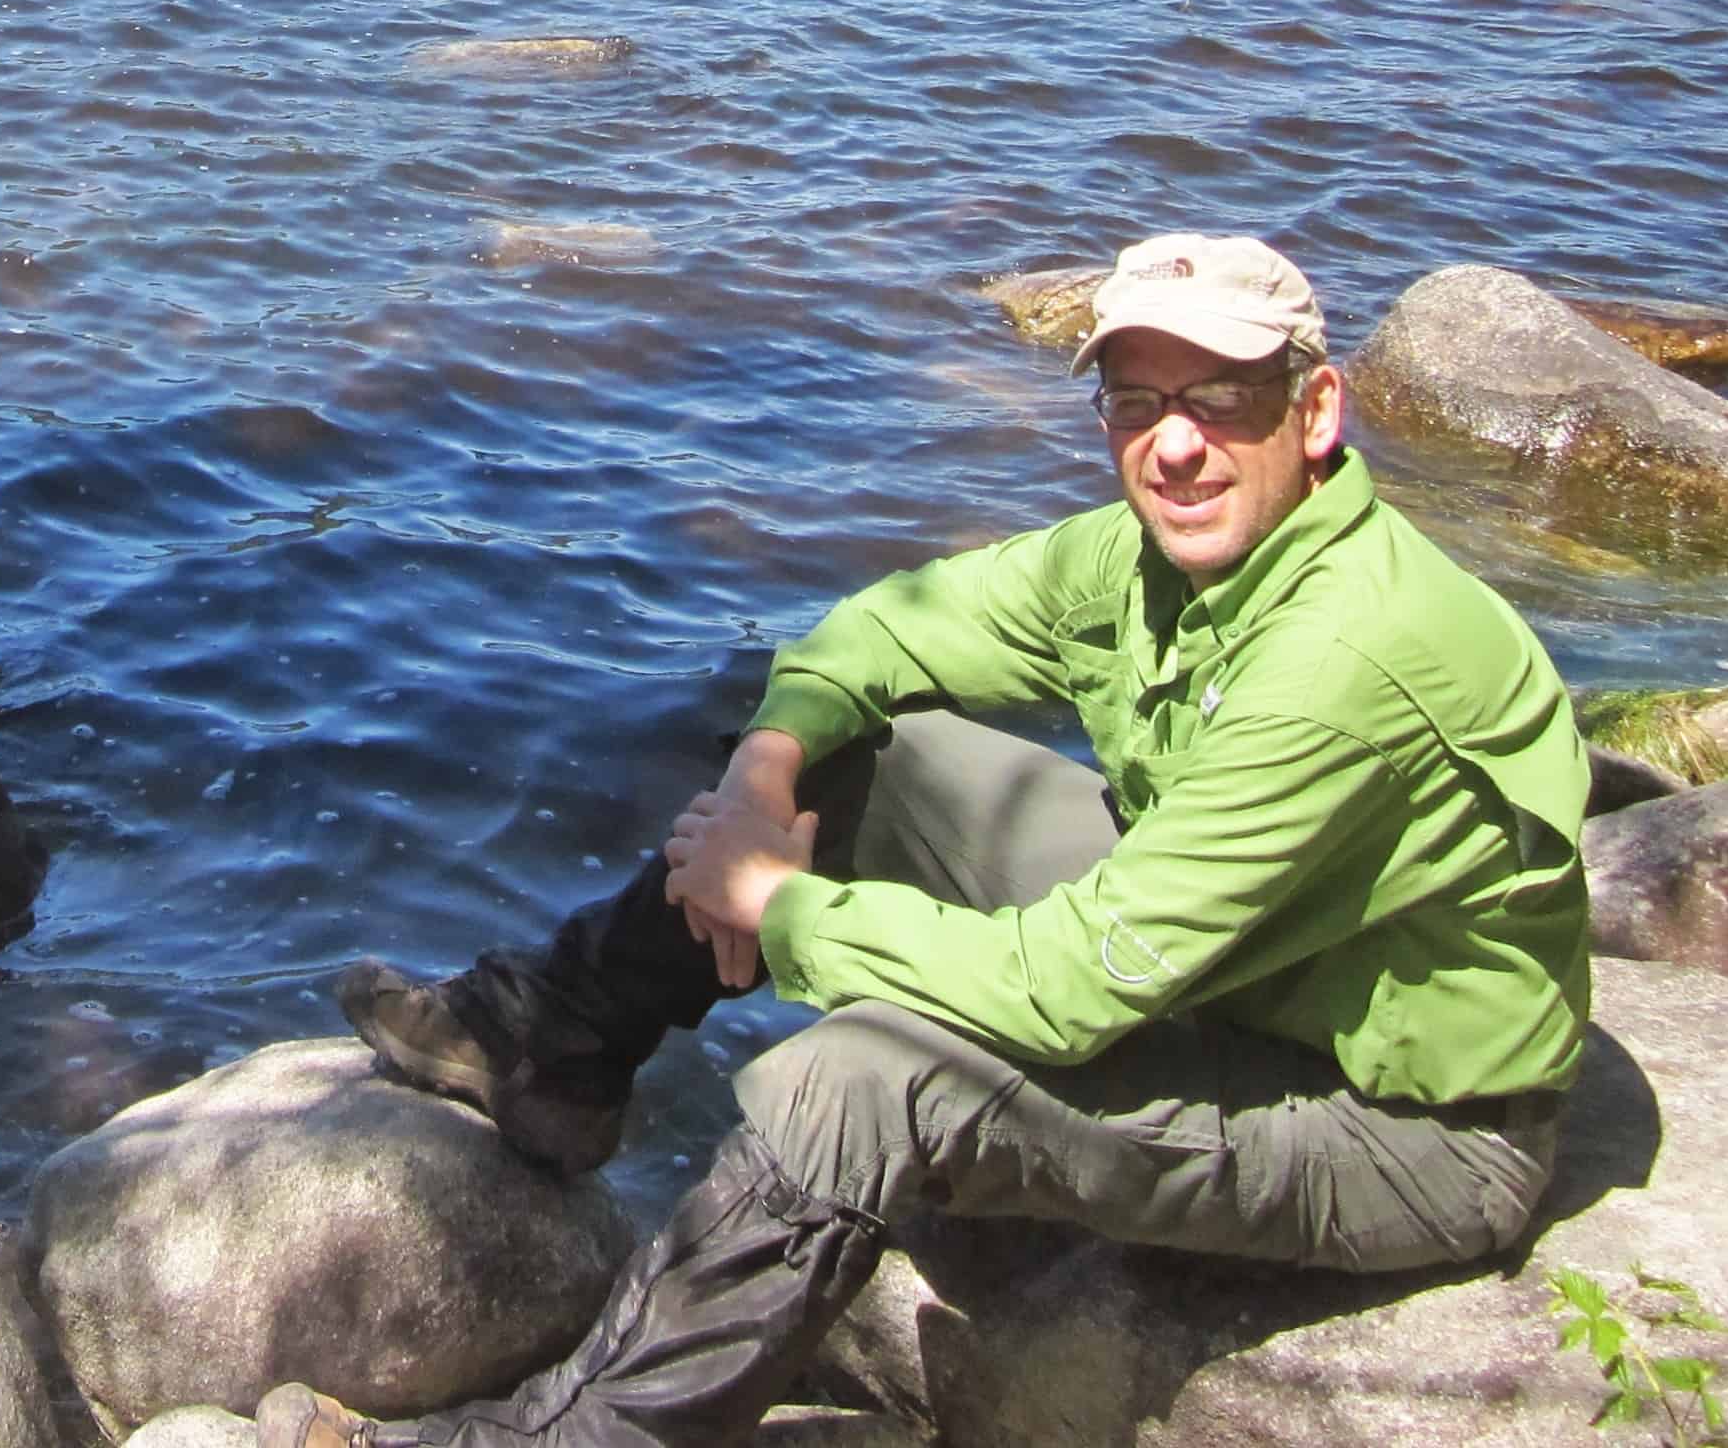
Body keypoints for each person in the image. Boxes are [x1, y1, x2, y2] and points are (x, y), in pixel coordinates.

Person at [260, 230, 1592, 1448]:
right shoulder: (1160, 561)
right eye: (1136, 404)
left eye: (1218, 400)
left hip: (1403, 1127)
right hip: (1265, 977)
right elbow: (892, 624)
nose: (1171, 445)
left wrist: (779, 906)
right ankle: (554, 1041)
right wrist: (767, 776)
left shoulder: (1343, 654)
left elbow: (1069, 990)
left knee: (861, 1081)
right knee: (881, 762)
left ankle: (578, 1437)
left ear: (1316, 413)